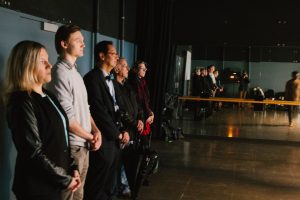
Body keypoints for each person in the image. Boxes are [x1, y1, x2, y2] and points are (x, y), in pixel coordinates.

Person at [5, 40, 81, 200]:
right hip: (37, 189)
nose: (49, 65)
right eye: (42, 61)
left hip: (57, 183)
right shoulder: (21, 101)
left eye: (48, 60)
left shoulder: (49, 95)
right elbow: (32, 151)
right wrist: (64, 179)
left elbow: (63, 138)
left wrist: (73, 168)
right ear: (26, 65)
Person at [47, 25, 101, 200]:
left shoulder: (75, 72)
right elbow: (66, 119)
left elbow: (85, 109)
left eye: (83, 41)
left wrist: (96, 130)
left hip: (83, 144)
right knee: (68, 196)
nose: (83, 45)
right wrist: (90, 136)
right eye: (78, 41)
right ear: (64, 44)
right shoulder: (60, 73)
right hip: (73, 147)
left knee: (79, 195)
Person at [83, 41, 130, 200]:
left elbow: (120, 107)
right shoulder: (91, 78)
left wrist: (124, 131)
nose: (117, 57)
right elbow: (98, 111)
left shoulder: (112, 80)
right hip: (103, 139)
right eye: (113, 53)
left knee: (111, 185)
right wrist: (117, 134)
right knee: (97, 185)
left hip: (116, 139)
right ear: (102, 56)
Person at [114, 58, 144, 198]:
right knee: (119, 164)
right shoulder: (113, 86)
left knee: (130, 164)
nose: (127, 69)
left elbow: (137, 106)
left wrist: (140, 119)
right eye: (124, 66)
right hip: (124, 131)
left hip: (132, 131)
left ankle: (126, 187)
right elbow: (120, 111)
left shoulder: (128, 86)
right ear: (117, 69)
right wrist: (132, 125)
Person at [128, 60, 154, 149]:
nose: (145, 70)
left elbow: (146, 101)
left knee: (145, 145)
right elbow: (138, 102)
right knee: (142, 146)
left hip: (144, 115)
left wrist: (150, 112)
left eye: (145, 69)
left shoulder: (142, 81)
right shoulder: (133, 82)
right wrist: (146, 115)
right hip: (138, 117)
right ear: (135, 69)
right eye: (142, 68)